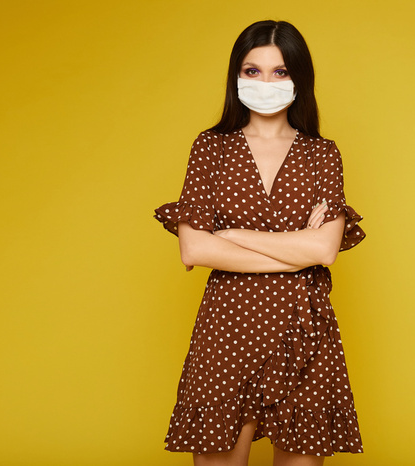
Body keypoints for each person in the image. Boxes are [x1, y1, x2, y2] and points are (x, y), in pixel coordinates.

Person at [153, 20, 366, 466]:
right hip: (226, 329)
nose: (265, 82)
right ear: (236, 77)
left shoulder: (322, 154)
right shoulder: (211, 149)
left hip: (302, 331)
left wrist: (232, 235)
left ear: (299, 79)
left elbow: (325, 251)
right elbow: (195, 250)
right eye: (253, 71)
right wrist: (297, 244)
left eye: (280, 72)